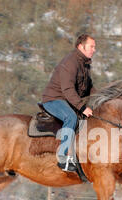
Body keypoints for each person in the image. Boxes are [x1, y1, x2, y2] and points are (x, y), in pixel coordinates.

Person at [41, 34, 95, 172]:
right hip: (54, 99)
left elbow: (89, 88)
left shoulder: (85, 65)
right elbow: (67, 90)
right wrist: (83, 108)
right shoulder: (70, 62)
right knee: (70, 117)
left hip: (69, 100)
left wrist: (102, 100)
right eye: (91, 47)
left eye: (94, 47)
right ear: (80, 46)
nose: (94, 50)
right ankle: (63, 157)